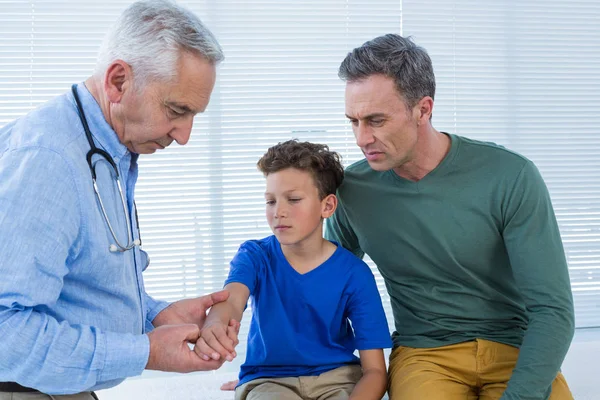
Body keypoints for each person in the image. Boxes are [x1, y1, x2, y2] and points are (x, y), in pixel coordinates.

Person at [0, 1, 239, 398]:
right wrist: (144, 351)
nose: (184, 135)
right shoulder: (49, 161)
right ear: (118, 81)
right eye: (176, 110)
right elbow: (6, 331)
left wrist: (153, 316)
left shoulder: (110, 153)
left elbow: (74, 289)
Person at [323, 34, 575, 400]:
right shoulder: (352, 190)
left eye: (376, 120)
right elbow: (324, 287)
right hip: (424, 354)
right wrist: (280, 368)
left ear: (423, 109)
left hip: (514, 348)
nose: (362, 138)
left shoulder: (510, 175)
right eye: (354, 121)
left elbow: (553, 309)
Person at [199, 140, 392, 400]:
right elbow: (231, 299)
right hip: (270, 380)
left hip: (338, 378)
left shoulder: (355, 274)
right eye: (270, 201)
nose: (279, 212)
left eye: (293, 199)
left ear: (328, 206)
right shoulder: (254, 256)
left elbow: (375, 371)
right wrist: (215, 324)